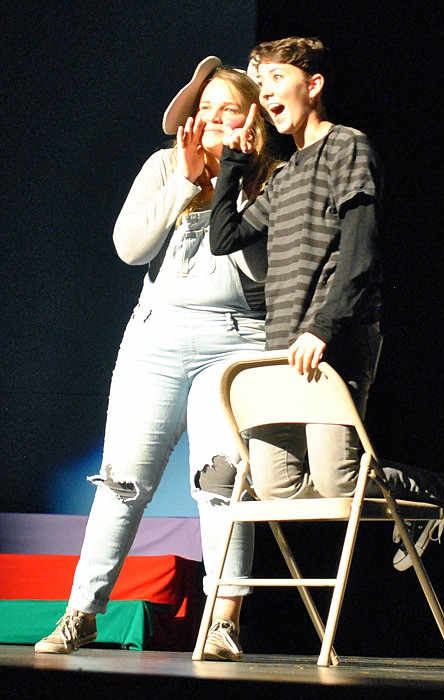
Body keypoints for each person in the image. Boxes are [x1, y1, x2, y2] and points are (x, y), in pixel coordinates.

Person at [208, 37, 444, 577]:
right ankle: (418, 508)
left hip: (331, 339)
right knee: (275, 487)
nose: (265, 94)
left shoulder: (348, 147)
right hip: (281, 347)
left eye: (275, 81)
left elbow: (361, 250)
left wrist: (325, 327)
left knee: (338, 482)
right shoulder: (285, 173)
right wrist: (236, 161)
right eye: (260, 86)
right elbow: (226, 237)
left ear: (313, 86)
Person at [34, 56, 277, 662]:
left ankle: (222, 620)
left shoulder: (272, 176)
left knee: (222, 484)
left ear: (252, 118)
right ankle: (82, 613)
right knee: (121, 481)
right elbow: (129, 247)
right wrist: (184, 185)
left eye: (229, 109)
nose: (215, 118)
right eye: (206, 109)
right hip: (156, 338)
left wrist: (230, 185)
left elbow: (262, 272)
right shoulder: (165, 164)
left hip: (236, 340)